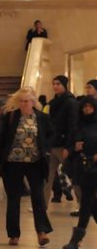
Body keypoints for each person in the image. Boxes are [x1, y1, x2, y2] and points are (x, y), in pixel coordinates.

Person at [0, 87, 54, 246]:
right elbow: (1, 140)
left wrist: (44, 147)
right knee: (13, 199)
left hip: (35, 163)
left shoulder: (42, 117)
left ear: (33, 102)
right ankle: (14, 234)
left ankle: (41, 232)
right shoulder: (11, 117)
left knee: (38, 198)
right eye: (21, 101)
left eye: (27, 101)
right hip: (13, 163)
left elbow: (50, 135)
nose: (24, 104)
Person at [63, 97, 97, 249]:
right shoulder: (77, 126)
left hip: (95, 168)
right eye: (85, 107)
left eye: (90, 107)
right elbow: (68, 149)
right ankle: (75, 241)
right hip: (83, 170)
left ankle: (75, 241)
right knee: (90, 203)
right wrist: (74, 148)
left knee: (87, 203)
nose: (87, 110)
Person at [44, 75, 79, 206]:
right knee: (47, 175)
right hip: (53, 144)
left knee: (73, 176)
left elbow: (73, 125)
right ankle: (42, 204)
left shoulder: (70, 102)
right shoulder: (53, 103)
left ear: (64, 85)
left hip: (64, 145)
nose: (55, 86)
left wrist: (69, 147)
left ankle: (83, 206)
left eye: (58, 84)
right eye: (54, 84)